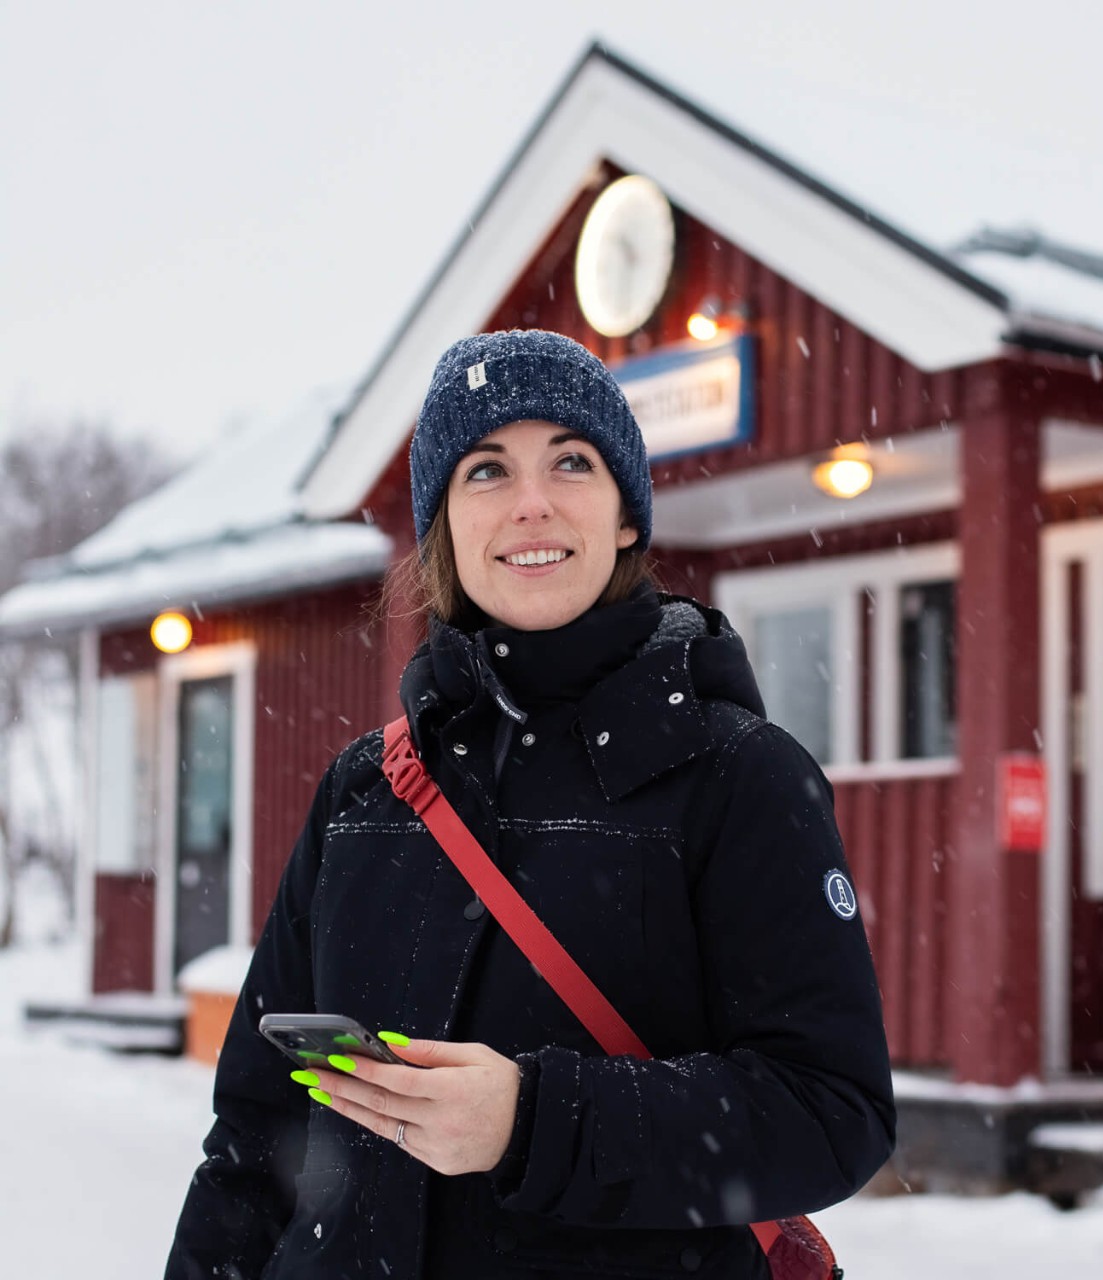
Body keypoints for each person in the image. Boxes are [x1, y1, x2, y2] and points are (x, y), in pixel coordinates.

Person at [165, 329, 895, 1279]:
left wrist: (535, 1123)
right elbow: (255, 1139)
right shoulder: (364, 792)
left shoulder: (739, 776)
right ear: (445, 529)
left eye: (571, 461)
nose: (532, 503)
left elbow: (832, 1113)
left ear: (628, 517)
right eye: (486, 471)